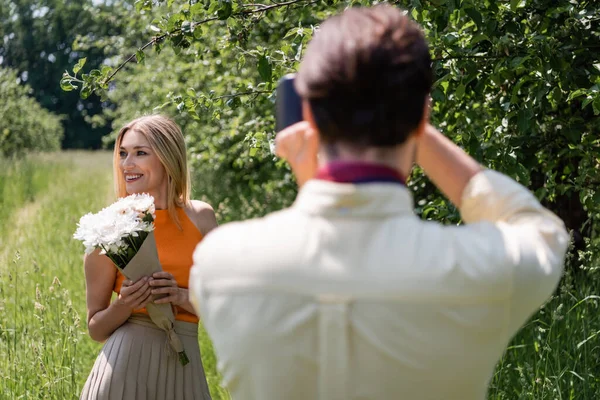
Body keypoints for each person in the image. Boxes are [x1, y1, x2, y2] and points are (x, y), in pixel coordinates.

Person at [189, 5, 570, 400]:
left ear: (308, 113)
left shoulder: (221, 263)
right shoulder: (485, 268)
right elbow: (537, 229)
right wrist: (412, 120)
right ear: (422, 118)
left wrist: (312, 182)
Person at [80, 115, 217, 400]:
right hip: (122, 373)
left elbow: (224, 310)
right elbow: (95, 328)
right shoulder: (111, 228)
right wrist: (125, 304)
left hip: (185, 369)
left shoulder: (201, 218)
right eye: (123, 153)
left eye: (140, 153)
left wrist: (179, 296)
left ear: (168, 157)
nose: (127, 164)